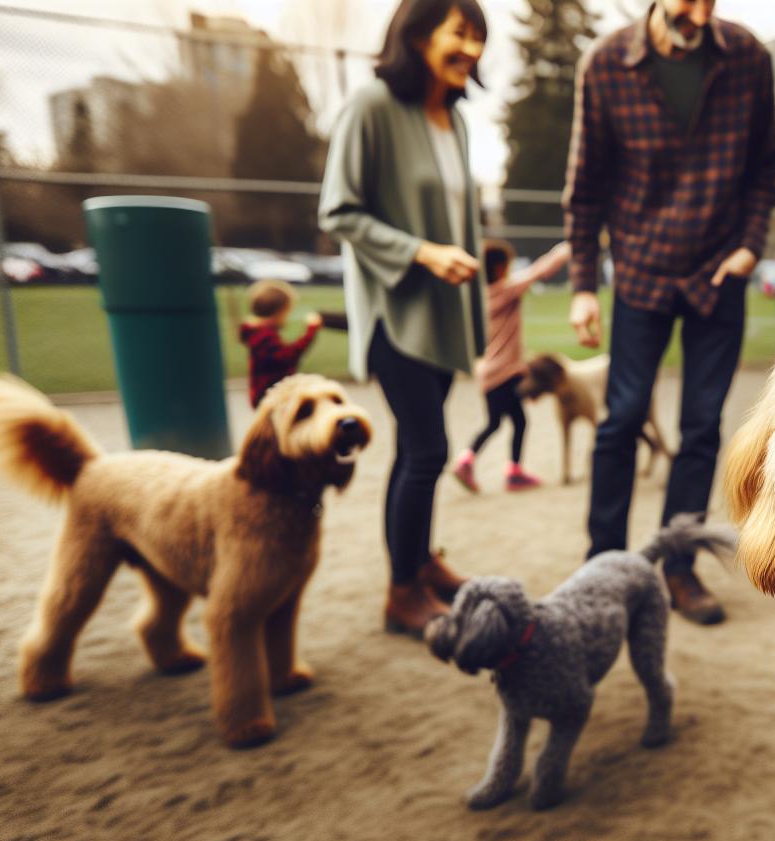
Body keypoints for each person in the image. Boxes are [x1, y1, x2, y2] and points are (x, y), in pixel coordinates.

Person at [564, 0, 775, 625]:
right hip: (640, 271)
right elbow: (585, 188)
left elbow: (766, 167)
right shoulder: (605, 65)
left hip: (721, 273)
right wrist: (585, 284)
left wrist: (750, 246)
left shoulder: (747, 58)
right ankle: (602, 565)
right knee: (623, 417)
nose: (698, 8)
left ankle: (678, 566)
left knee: (700, 426)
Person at [319, 0, 487, 634]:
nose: (470, 47)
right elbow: (339, 210)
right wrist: (419, 253)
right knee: (427, 450)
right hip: (398, 313)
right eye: (458, 33)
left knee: (417, 452)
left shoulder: (458, 119)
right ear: (417, 36)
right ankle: (400, 593)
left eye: (478, 38)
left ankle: (419, 564)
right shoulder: (372, 108)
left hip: (444, 317)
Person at [452, 239, 571, 494]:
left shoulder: (482, 297)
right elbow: (538, 271)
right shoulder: (504, 291)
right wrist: (566, 249)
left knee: (496, 422)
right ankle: (512, 471)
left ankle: (467, 460)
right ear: (498, 269)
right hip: (505, 372)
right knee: (518, 421)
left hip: (488, 372)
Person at [238, 279, 321, 408]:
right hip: (270, 396)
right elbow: (289, 357)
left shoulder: (258, 333)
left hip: (268, 395)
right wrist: (311, 330)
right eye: (287, 312)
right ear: (278, 312)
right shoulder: (263, 337)